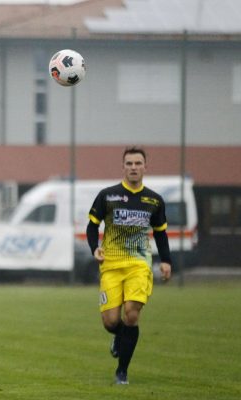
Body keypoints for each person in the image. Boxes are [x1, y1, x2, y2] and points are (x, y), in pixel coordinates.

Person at [86, 146, 172, 385]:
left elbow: (161, 233)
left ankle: (121, 372)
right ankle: (119, 336)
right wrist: (95, 248)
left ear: (145, 166)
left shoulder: (154, 200)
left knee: (131, 314)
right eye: (129, 164)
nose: (134, 168)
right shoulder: (108, 195)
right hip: (111, 266)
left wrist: (166, 260)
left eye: (138, 163)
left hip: (138, 265)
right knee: (111, 322)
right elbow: (92, 226)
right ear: (123, 167)